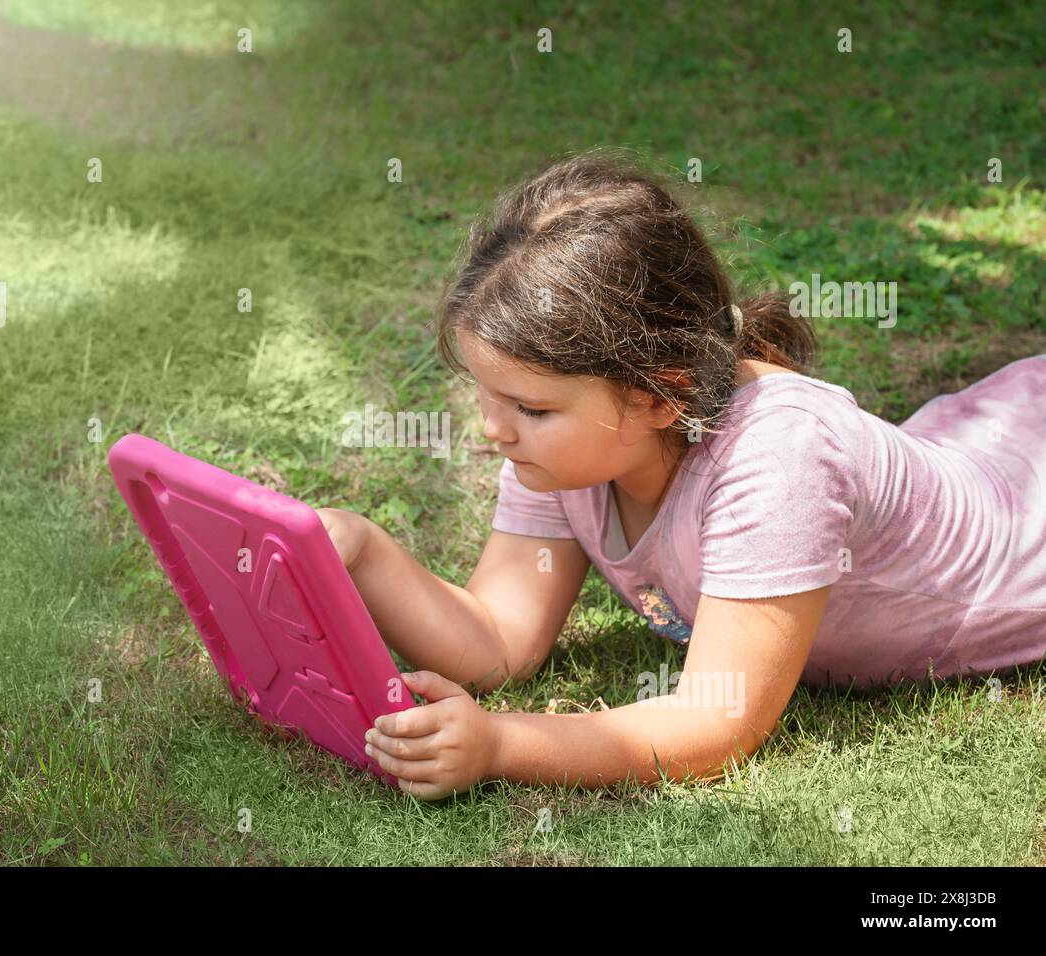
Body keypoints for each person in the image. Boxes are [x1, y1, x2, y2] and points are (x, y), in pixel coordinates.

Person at [317, 150, 1046, 800]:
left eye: (530, 407)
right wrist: (358, 551)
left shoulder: (777, 459)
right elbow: (499, 643)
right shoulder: (559, 453)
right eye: (487, 394)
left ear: (660, 397)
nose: (493, 428)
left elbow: (716, 720)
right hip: (977, 449)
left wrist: (502, 744)